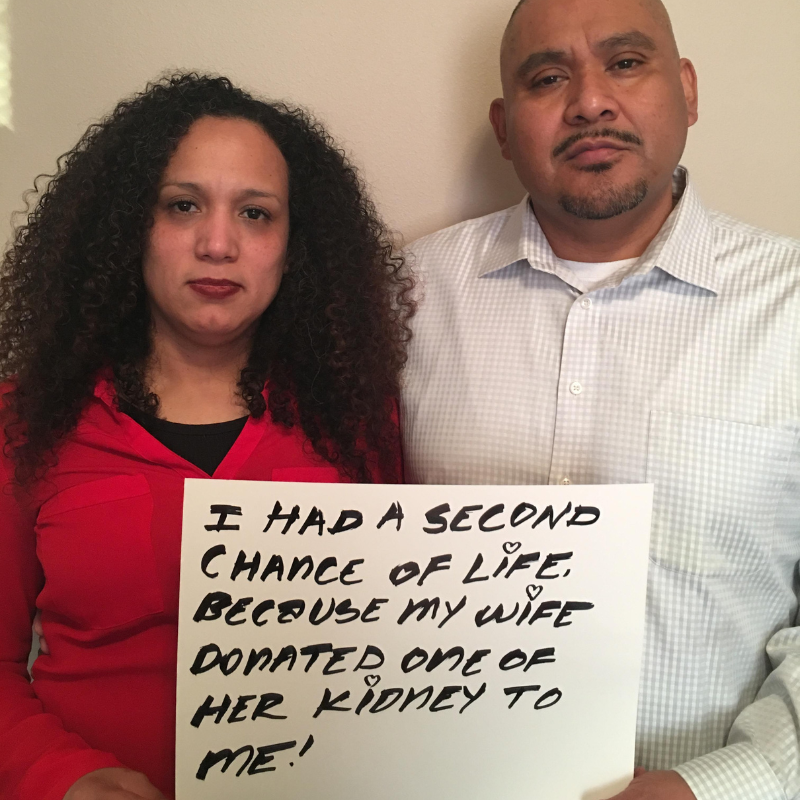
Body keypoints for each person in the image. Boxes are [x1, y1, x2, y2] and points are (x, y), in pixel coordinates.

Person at [401, 0, 800, 798]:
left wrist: (725, 785)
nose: (589, 101)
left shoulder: (792, 307)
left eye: (625, 63)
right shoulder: (402, 299)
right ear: (506, 126)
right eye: (547, 78)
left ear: (686, 90)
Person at [0, 73, 413, 800]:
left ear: (296, 245)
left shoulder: (360, 420)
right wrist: (59, 775)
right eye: (182, 205)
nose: (217, 243)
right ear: (129, 224)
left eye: (255, 214)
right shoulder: (27, 422)